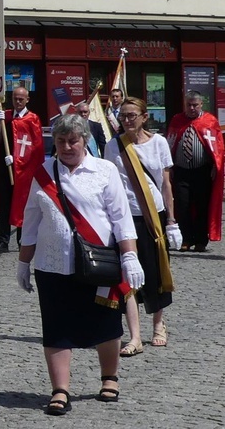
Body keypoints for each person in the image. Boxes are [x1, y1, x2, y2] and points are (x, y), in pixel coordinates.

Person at [16, 113, 144, 416]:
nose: (67, 146)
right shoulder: (43, 174)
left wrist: (129, 256)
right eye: (61, 141)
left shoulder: (105, 171)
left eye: (73, 140)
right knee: (56, 327)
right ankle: (60, 389)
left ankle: (109, 377)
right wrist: (23, 263)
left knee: (106, 324)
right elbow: (31, 223)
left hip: (98, 264)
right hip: (52, 266)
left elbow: (121, 218)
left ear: (84, 140)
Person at [104, 97, 179, 355]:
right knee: (127, 274)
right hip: (125, 217)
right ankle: (135, 336)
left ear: (144, 117)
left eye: (131, 115)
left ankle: (158, 323)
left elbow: (166, 184)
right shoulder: (113, 146)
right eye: (123, 116)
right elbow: (108, 186)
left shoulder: (158, 144)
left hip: (153, 214)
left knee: (155, 269)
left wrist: (171, 221)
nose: (126, 120)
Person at [0, 86, 44, 253]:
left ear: (27, 100)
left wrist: (17, 159)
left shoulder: (33, 119)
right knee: (5, 205)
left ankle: (23, 239)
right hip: (5, 167)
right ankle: (2, 240)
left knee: (23, 205)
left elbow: (35, 148)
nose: (18, 101)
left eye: (21, 99)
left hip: (24, 171)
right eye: (15, 98)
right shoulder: (6, 116)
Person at [166, 90, 224, 252]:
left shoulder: (209, 121)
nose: (191, 108)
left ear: (201, 105)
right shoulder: (177, 120)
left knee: (201, 206)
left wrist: (215, 165)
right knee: (182, 206)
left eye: (195, 105)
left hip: (202, 171)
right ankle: (186, 239)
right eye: (189, 105)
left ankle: (200, 240)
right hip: (181, 171)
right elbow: (170, 143)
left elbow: (217, 147)